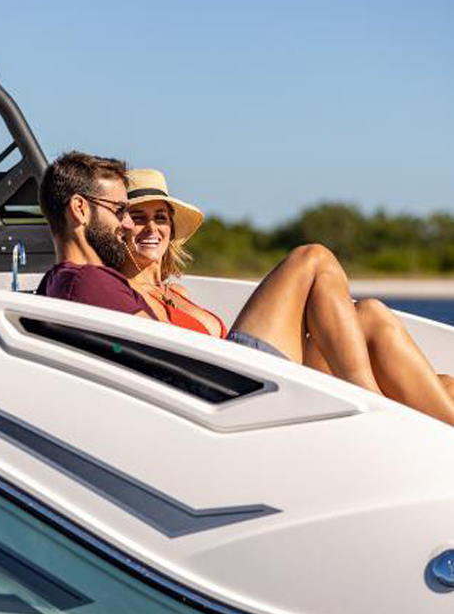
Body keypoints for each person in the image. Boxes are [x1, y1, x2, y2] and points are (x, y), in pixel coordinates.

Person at [37, 151, 454, 426]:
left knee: (373, 317)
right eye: (126, 213)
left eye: (157, 217)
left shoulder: (105, 283)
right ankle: (376, 413)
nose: (133, 224)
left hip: (231, 380)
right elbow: (156, 363)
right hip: (226, 393)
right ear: (79, 209)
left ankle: (400, 413)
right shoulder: (89, 281)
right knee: (312, 258)